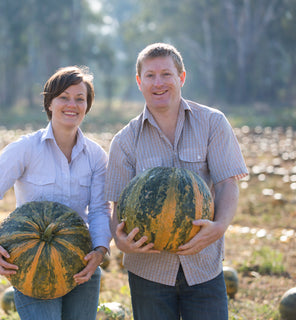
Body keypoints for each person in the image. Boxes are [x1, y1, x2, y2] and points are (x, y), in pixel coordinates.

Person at [104, 43, 248, 319]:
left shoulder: (213, 123)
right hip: (148, 269)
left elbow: (227, 184)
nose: (158, 83)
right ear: (139, 82)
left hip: (204, 265)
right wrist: (120, 241)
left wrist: (219, 227)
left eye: (166, 74)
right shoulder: (124, 141)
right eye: (150, 75)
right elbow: (115, 203)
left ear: (181, 77)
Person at [0, 66, 111, 320]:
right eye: (64, 97)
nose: (72, 104)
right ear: (49, 103)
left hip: (81, 266)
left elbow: (101, 208)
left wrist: (100, 251)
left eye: (80, 99)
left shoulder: (96, 156)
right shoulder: (25, 149)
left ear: (87, 106)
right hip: (30, 266)